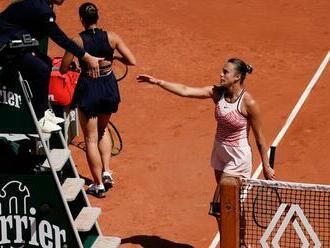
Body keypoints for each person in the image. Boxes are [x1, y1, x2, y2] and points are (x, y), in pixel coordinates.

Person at [137, 57, 275, 233]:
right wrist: (159, 82)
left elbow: (260, 139)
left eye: (226, 72)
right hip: (220, 153)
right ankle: (234, 243)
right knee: (229, 205)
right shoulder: (217, 93)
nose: (221, 74)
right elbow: (186, 90)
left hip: (237, 158)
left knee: (219, 206)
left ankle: (237, 243)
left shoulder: (249, 103)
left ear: (237, 77)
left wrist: (266, 165)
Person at [60, 2, 136, 198]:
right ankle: (107, 171)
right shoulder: (112, 37)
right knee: (103, 129)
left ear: (81, 19)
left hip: (89, 89)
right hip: (109, 87)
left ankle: (98, 184)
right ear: (97, 17)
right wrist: (115, 59)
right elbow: (131, 60)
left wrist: (76, 67)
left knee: (90, 139)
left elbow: (63, 68)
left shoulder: (77, 41)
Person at [0, 0, 103, 133]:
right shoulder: (42, 9)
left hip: (15, 43)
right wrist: (87, 57)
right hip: (5, 48)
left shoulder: (43, 5)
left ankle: (43, 110)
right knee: (40, 69)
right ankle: (39, 119)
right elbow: (60, 38)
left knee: (46, 63)